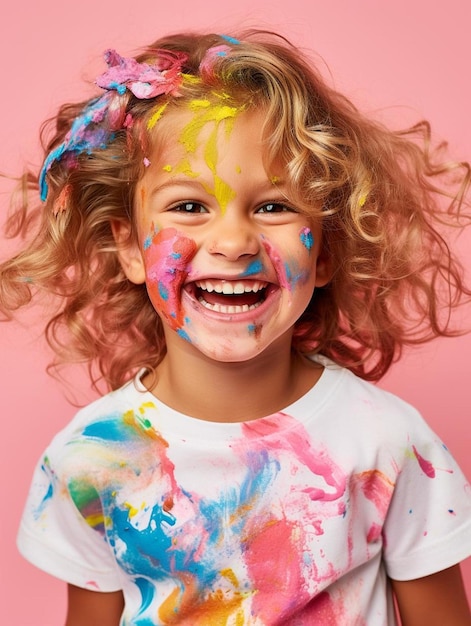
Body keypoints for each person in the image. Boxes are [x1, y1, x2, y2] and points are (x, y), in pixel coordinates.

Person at [1, 29, 471, 626]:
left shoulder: (390, 443)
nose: (232, 241)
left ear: (326, 251)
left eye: (274, 206)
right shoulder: (90, 457)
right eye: (189, 206)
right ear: (129, 247)